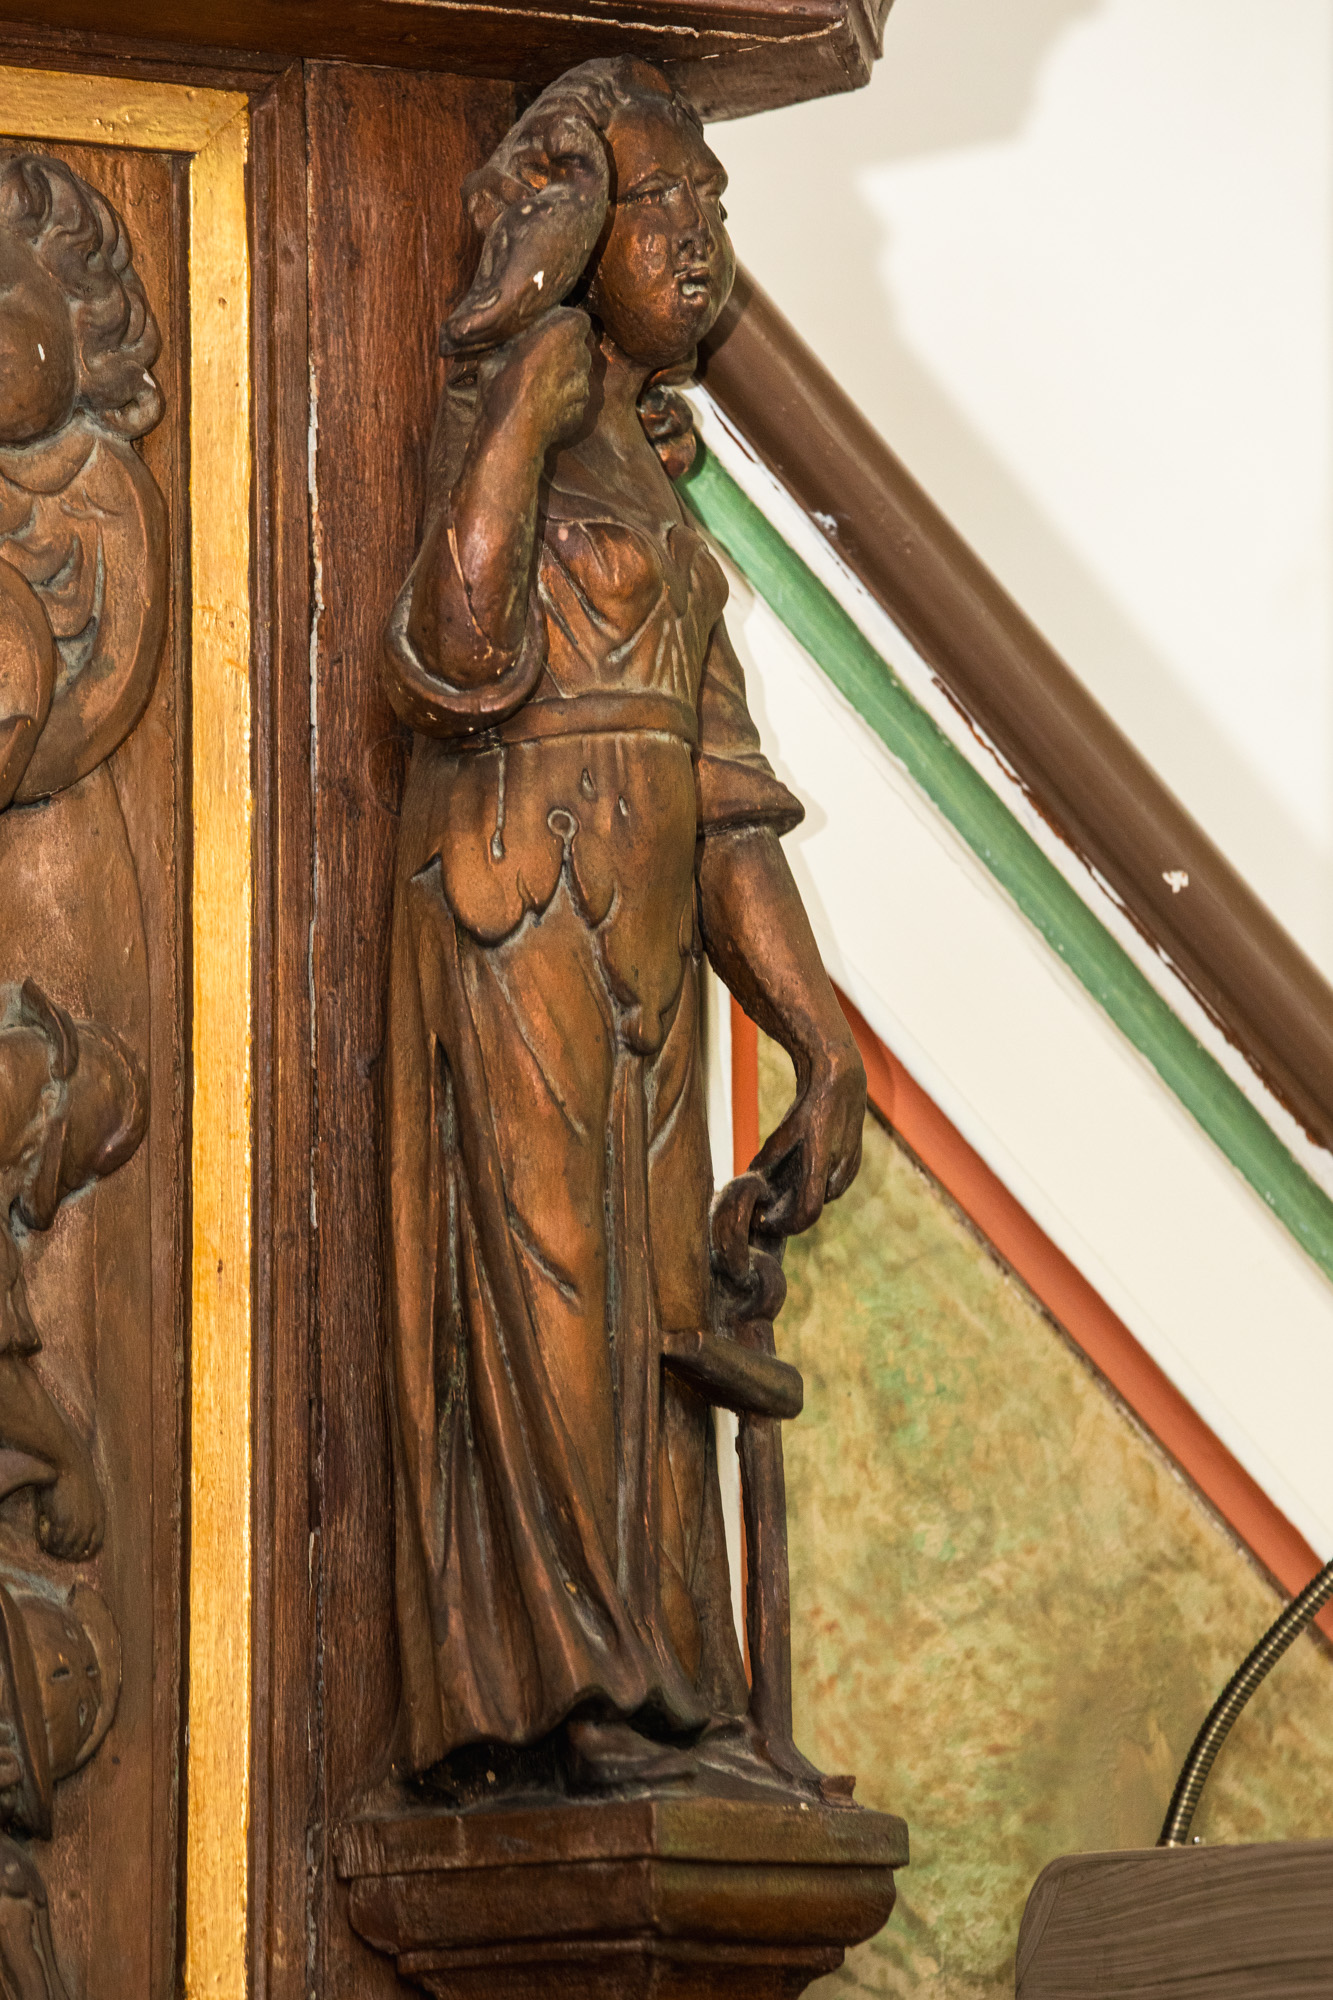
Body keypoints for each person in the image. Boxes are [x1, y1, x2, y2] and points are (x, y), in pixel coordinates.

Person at [383, 56, 866, 1793]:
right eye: (663, 205)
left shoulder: (658, 475)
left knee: (656, 1309)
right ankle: (567, 1693)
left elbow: (724, 788)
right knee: (554, 1297)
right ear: (578, 225)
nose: (700, 240)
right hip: (516, 897)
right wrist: (521, 409)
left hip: (645, 920)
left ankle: (672, 1695)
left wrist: (820, 1039)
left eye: (711, 206)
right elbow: (449, 655)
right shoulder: (519, 404)